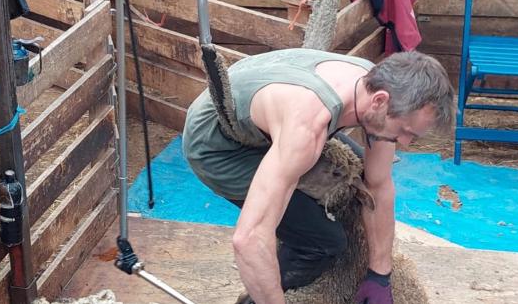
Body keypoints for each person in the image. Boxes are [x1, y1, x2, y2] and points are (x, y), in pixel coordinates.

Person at [183, 48, 454, 303]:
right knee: (322, 242)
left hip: (271, 122)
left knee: (354, 177)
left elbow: (379, 185)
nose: (405, 143)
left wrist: (379, 276)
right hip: (218, 145)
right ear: (380, 101)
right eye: (405, 131)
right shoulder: (307, 126)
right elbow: (249, 238)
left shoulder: (377, 89)